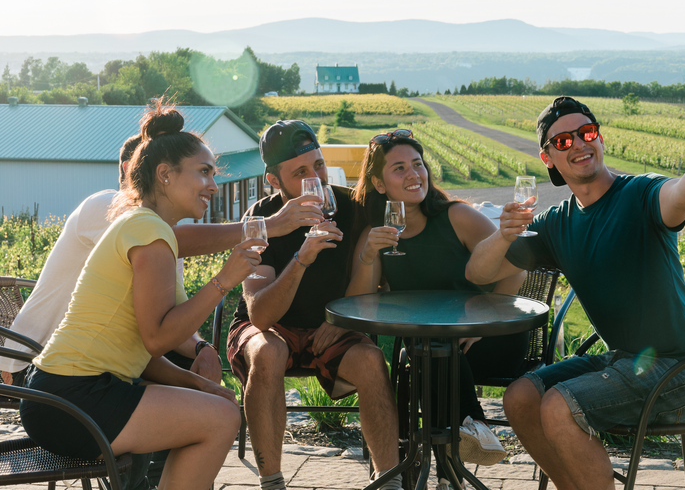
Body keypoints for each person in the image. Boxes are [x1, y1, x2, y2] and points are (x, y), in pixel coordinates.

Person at [465, 92, 685, 490]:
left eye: (587, 132)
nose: (579, 144)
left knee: (559, 406)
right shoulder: (556, 223)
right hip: (628, 361)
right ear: (548, 158)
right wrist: (502, 236)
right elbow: (479, 272)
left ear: (600, 139)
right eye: (563, 141)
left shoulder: (641, 195)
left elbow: (683, 191)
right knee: (520, 398)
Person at [19, 100, 262, 490]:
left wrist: (195, 382)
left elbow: (140, 350)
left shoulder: (143, 226)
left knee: (215, 407)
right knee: (221, 419)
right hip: (73, 399)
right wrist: (224, 280)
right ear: (164, 174)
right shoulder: (149, 234)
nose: (213, 186)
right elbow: (158, 338)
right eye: (204, 172)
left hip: (59, 393)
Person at [226, 120, 401, 490]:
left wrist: (342, 320)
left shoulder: (351, 208)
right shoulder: (261, 219)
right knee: (268, 352)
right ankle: (272, 482)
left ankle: (389, 481)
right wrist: (302, 258)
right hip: (268, 327)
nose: (315, 179)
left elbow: (374, 284)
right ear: (274, 180)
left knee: (371, 361)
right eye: (300, 172)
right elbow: (259, 314)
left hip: (332, 323)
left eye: (318, 165)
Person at [346, 130, 526, 488]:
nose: (414, 174)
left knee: (428, 355)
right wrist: (368, 255)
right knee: (431, 351)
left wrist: (481, 323)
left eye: (418, 164)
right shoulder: (378, 234)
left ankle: (430, 460)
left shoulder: (457, 217)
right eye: (400, 168)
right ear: (379, 185)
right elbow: (359, 304)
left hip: (488, 340)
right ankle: (457, 459)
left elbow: (516, 267)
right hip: (433, 349)